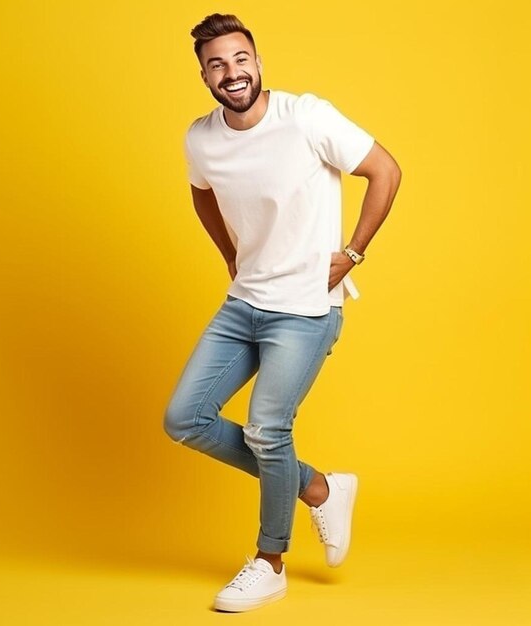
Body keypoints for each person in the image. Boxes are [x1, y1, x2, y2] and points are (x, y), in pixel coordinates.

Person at [163, 12, 402, 612]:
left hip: (303, 310)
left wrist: (352, 253)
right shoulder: (201, 137)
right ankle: (320, 488)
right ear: (204, 76)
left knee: (270, 429)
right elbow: (202, 193)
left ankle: (269, 562)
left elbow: (385, 170)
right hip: (244, 303)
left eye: (240, 59)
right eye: (217, 64)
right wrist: (230, 255)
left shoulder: (306, 117)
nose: (231, 72)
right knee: (184, 419)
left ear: (257, 61)